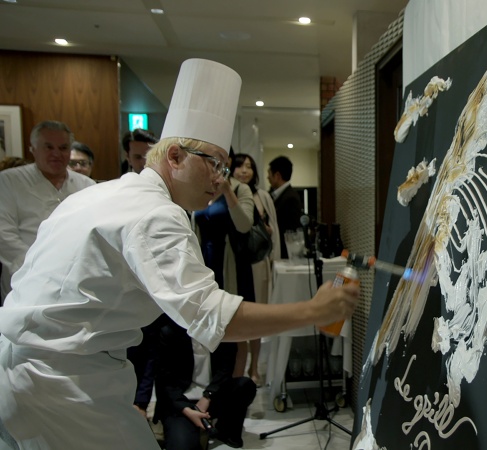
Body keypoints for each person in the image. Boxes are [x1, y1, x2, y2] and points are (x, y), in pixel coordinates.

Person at [0, 58, 359, 450]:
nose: (220, 179)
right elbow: (213, 317)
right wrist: (314, 310)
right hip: (60, 382)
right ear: (174, 156)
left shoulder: (102, 192)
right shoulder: (155, 213)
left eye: (225, 167)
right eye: (214, 164)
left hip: (28, 369)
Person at [0, 121, 95, 304]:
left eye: (63, 147)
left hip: (76, 280)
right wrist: (37, 269)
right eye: (49, 147)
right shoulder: (9, 181)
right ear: (33, 149)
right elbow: (4, 235)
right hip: (25, 278)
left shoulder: (87, 185)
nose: (56, 154)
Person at [193, 149, 257, 383]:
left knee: (233, 321)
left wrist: (228, 191)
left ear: (228, 160)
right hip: (205, 259)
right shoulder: (199, 187)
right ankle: (214, 382)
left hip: (231, 263)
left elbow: (244, 225)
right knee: (210, 322)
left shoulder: (240, 189)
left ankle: (235, 383)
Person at [154, 316, 255, 449]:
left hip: (212, 396)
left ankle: (225, 431)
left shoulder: (220, 331)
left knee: (245, 385)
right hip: (181, 403)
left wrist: (208, 396)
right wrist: (187, 410)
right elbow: (165, 382)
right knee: (182, 446)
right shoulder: (169, 333)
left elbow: (225, 369)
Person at [230, 153, 280, 385]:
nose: (244, 171)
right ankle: (240, 365)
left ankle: (255, 367)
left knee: (257, 314)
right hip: (235, 261)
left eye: (249, 167)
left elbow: (273, 228)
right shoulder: (229, 193)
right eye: (240, 166)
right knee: (237, 314)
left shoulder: (262, 196)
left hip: (258, 261)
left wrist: (275, 257)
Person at [268, 155, 303, 259]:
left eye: (269, 173)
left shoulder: (290, 198)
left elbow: (290, 230)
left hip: (285, 254)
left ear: (277, 175)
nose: (267, 177)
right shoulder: (278, 195)